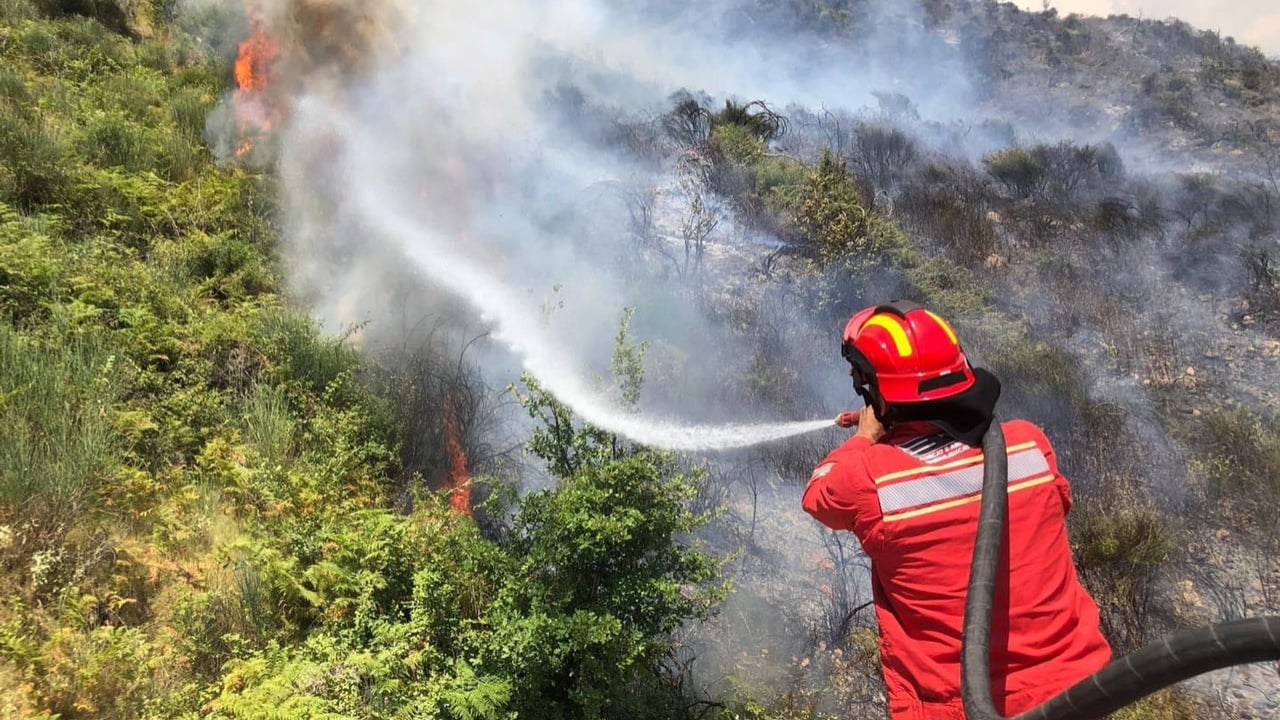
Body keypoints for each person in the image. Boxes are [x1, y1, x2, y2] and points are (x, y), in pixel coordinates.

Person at [802, 300, 1112, 720]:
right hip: (1079, 693)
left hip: (959, 705)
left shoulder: (867, 478)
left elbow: (818, 494)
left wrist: (865, 437)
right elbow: (1053, 506)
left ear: (876, 390)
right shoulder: (1029, 445)